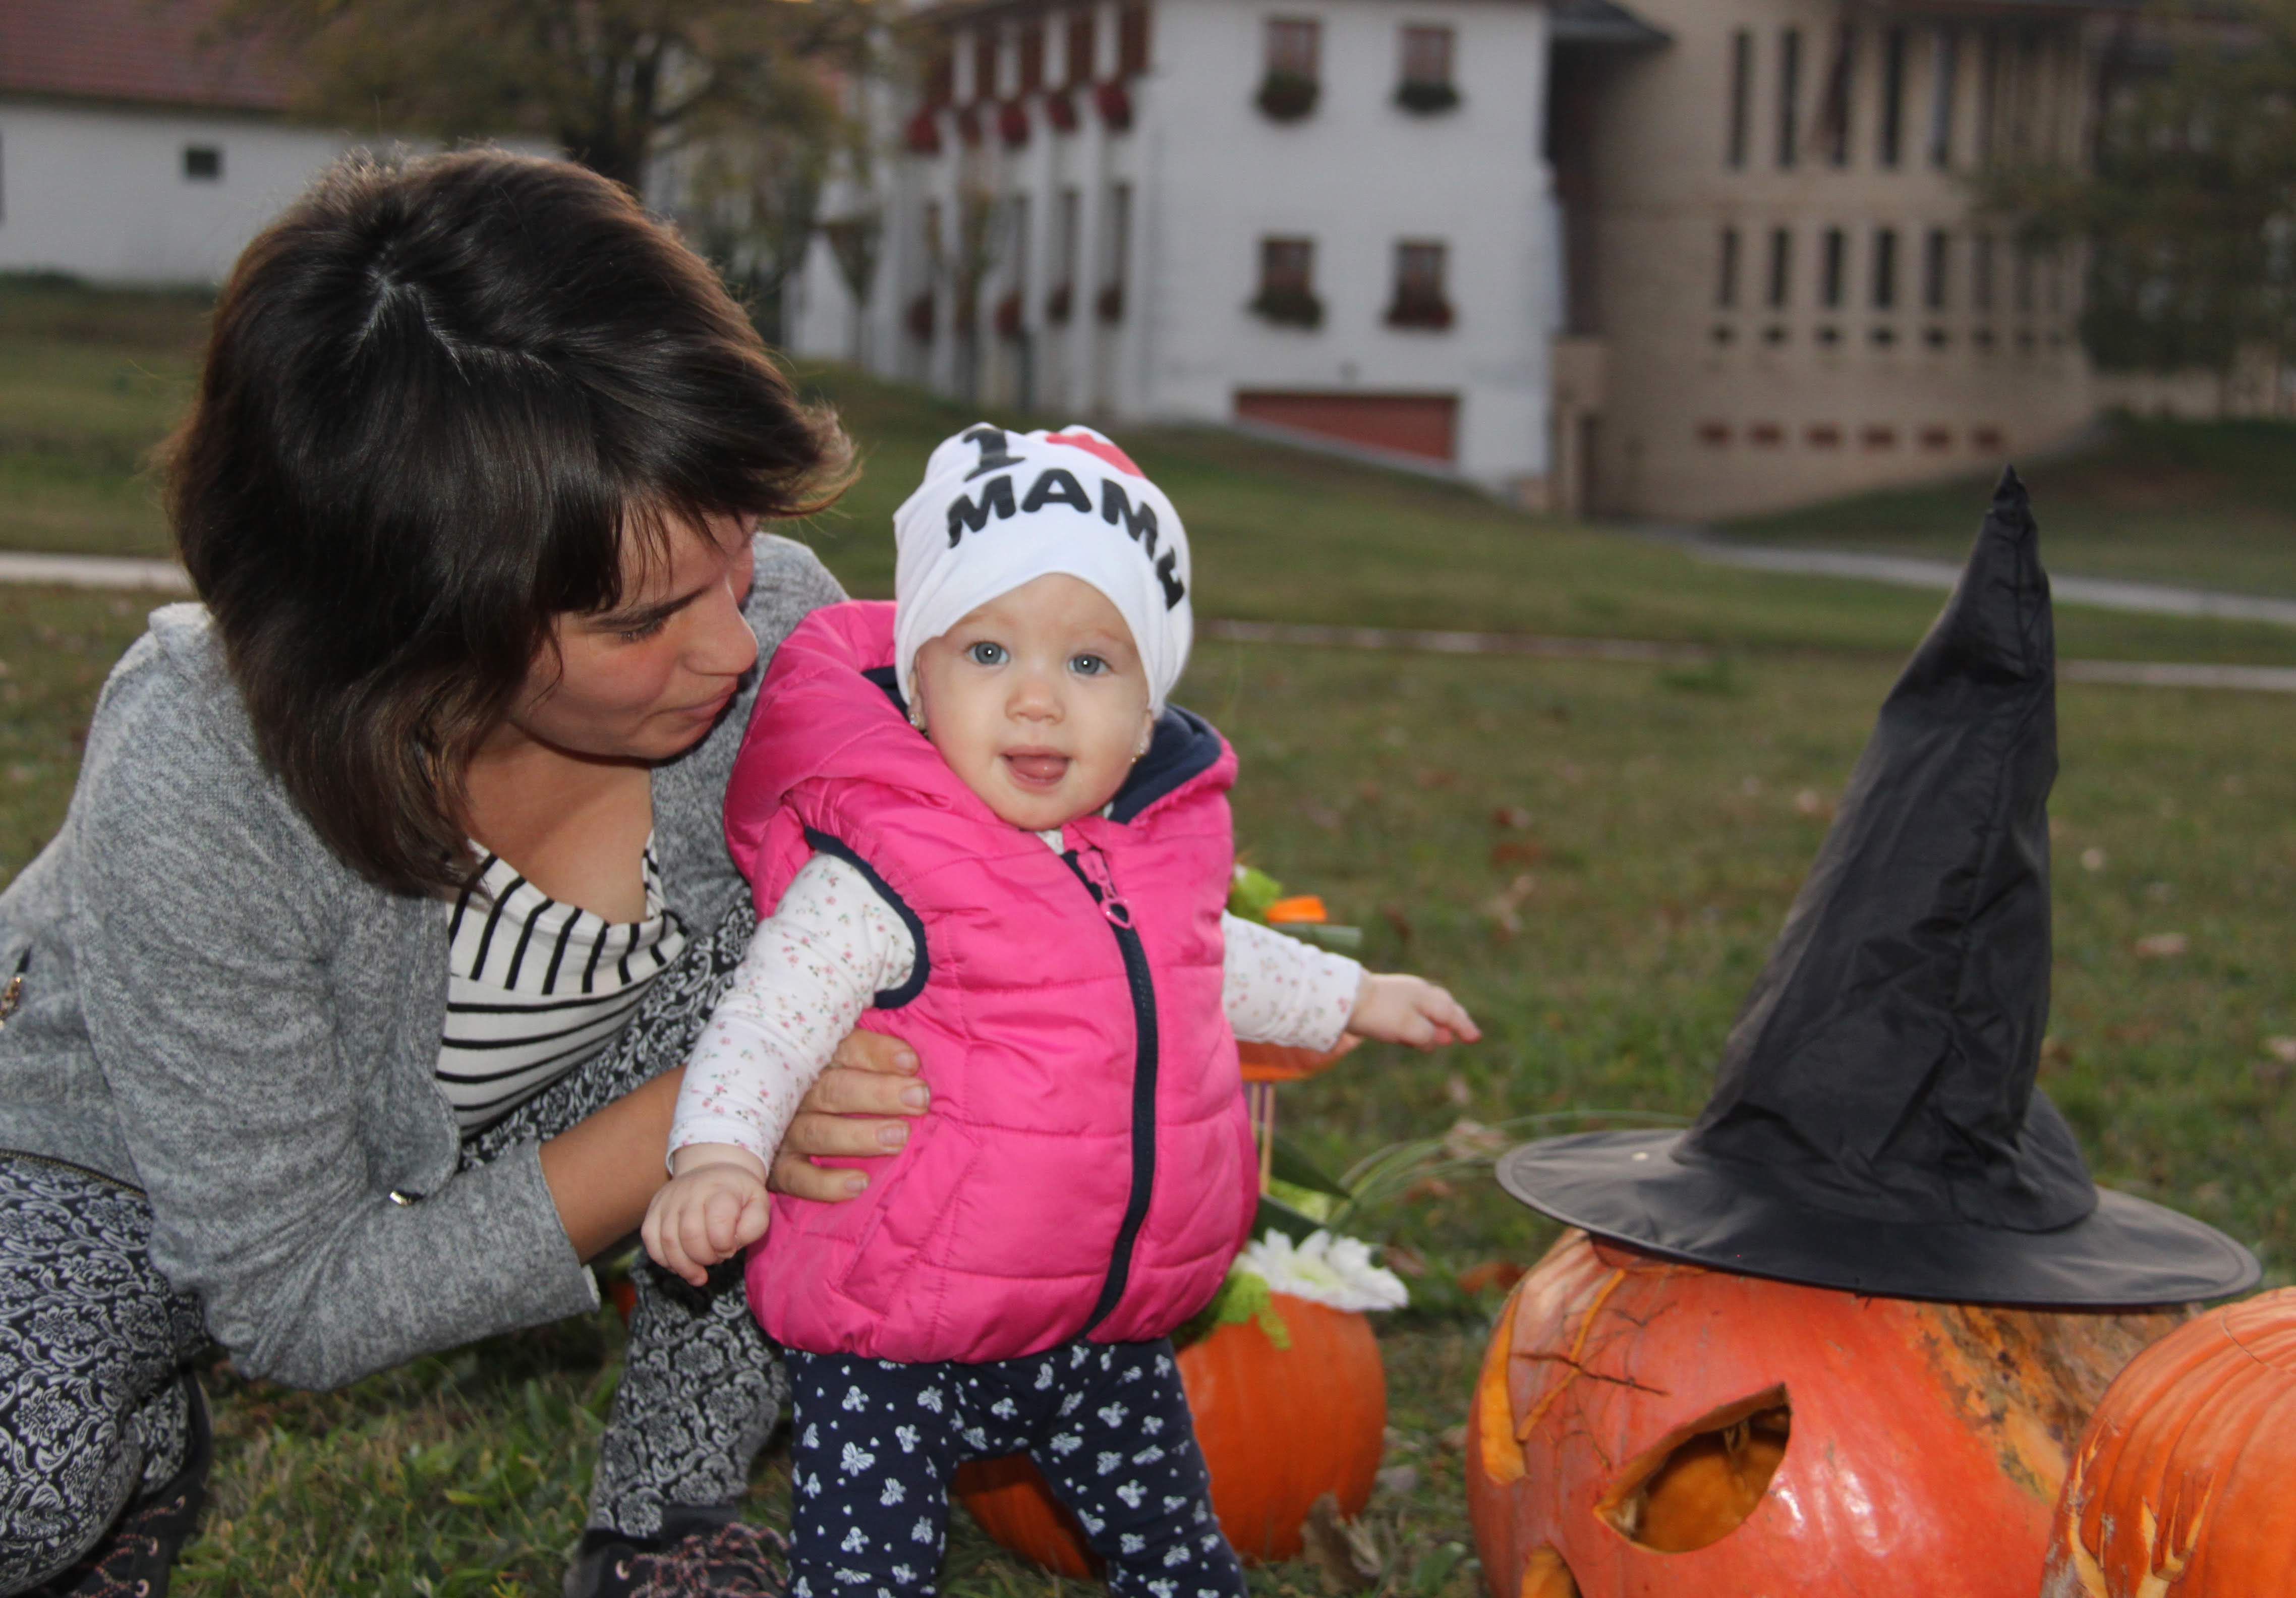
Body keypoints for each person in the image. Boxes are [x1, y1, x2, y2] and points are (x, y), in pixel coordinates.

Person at [0, 149, 930, 1598]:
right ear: (410, 625)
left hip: (503, 1148)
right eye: (638, 622)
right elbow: (298, 1298)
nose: (732, 644)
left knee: (841, 996)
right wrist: (726, 1104)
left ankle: (667, 1517)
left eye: (737, 544)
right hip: (97, 1172)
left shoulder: (775, 650)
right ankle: (132, 1442)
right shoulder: (202, 768)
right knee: (22, 1478)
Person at [642, 423, 1480, 1598]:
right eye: (988, 652)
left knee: (1175, 1553)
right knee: (867, 1571)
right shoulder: (877, 870)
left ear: (1144, 716)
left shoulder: (1149, 855)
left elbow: (1205, 956)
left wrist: (1354, 994)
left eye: (1090, 664)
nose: (1036, 700)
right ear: (918, 684)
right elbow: (768, 1021)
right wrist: (718, 1155)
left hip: (1102, 1325)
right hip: (897, 1327)